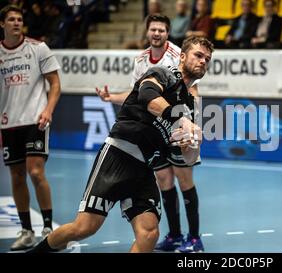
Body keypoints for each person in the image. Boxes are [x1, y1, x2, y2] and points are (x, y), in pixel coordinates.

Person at [28, 35, 213, 253]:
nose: (203, 61)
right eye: (198, 55)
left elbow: (188, 159)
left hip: (144, 169)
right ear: (182, 56)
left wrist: (193, 143)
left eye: (207, 59)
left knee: (149, 233)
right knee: (84, 228)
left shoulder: (190, 105)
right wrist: (180, 119)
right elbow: (147, 97)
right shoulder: (162, 73)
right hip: (117, 155)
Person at [96, 15, 205, 253]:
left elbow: (193, 91)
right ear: (147, 32)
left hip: (180, 122)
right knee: (164, 180)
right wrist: (111, 98)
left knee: (184, 179)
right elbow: (138, 94)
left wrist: (191, 122)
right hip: (155, 130)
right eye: (153, 29)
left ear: (168, 33)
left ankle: (195, 239)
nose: (157, 33)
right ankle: (175, 235)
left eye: (162, 30)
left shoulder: (179, 55)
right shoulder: (141, 60)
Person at [0, 5, 61, 251]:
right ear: (2, 24)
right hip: (8, 123)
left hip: (35, 120)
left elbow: (55, 84)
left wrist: (48, 110)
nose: (16, 23)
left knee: (35, 172)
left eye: (19, 19)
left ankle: (47, 227)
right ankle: (26, 230)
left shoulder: (38, 48)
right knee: (16, 176)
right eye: (11, 19)